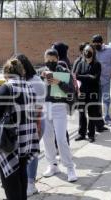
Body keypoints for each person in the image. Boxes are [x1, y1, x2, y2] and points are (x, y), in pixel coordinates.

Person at [0, 58, 40, 200]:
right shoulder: (29, 87)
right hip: (26, 139)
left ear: (5, 74)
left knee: (10, 179)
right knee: (22, 173)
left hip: (10, 141)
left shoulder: (6, 88)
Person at [40, 48, 78, 182]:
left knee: (61, 139)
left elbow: (70, 90)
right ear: (44, 60)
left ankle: (70, 167)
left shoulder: (63, 71)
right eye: (48, 60)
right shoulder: (41, 72)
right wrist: (41, 78)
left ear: (57, 59)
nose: (50, 62)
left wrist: (59, 82)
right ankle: (52, 165)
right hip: (45, 107)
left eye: (53, 60)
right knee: (47, 139)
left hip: (59, 107)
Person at [13, 54, 46, 197]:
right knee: (20, 154)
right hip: (20, 123)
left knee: (31, 153)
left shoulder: (36, 81)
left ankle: (31, 184)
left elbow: (38, 107)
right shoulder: (19, 81)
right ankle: (21, 182)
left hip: (34, 121)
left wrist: (37, 126)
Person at [92, 34, 111, 126]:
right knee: (96, 100)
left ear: (102, 43)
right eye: (94, 43)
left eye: (98, 43)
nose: (96, 45)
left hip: (105, 80)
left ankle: (108, 119)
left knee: (106, 99)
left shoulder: (110, 50)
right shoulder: (91, 51)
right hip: (94, 81)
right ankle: (98, 120)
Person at [74, 44, 101, 143]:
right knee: (81, 113)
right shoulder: (80, 63)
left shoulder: (97, 64)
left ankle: (91, 134)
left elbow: (95, 79)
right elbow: (76, 76)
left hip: (93, 93)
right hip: (82, 92)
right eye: (85, 51)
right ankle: (81, 133)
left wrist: (84, 76)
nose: (87, 53)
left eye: (89, 51)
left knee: (92, 114)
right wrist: (88, 76)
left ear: (93, 52)